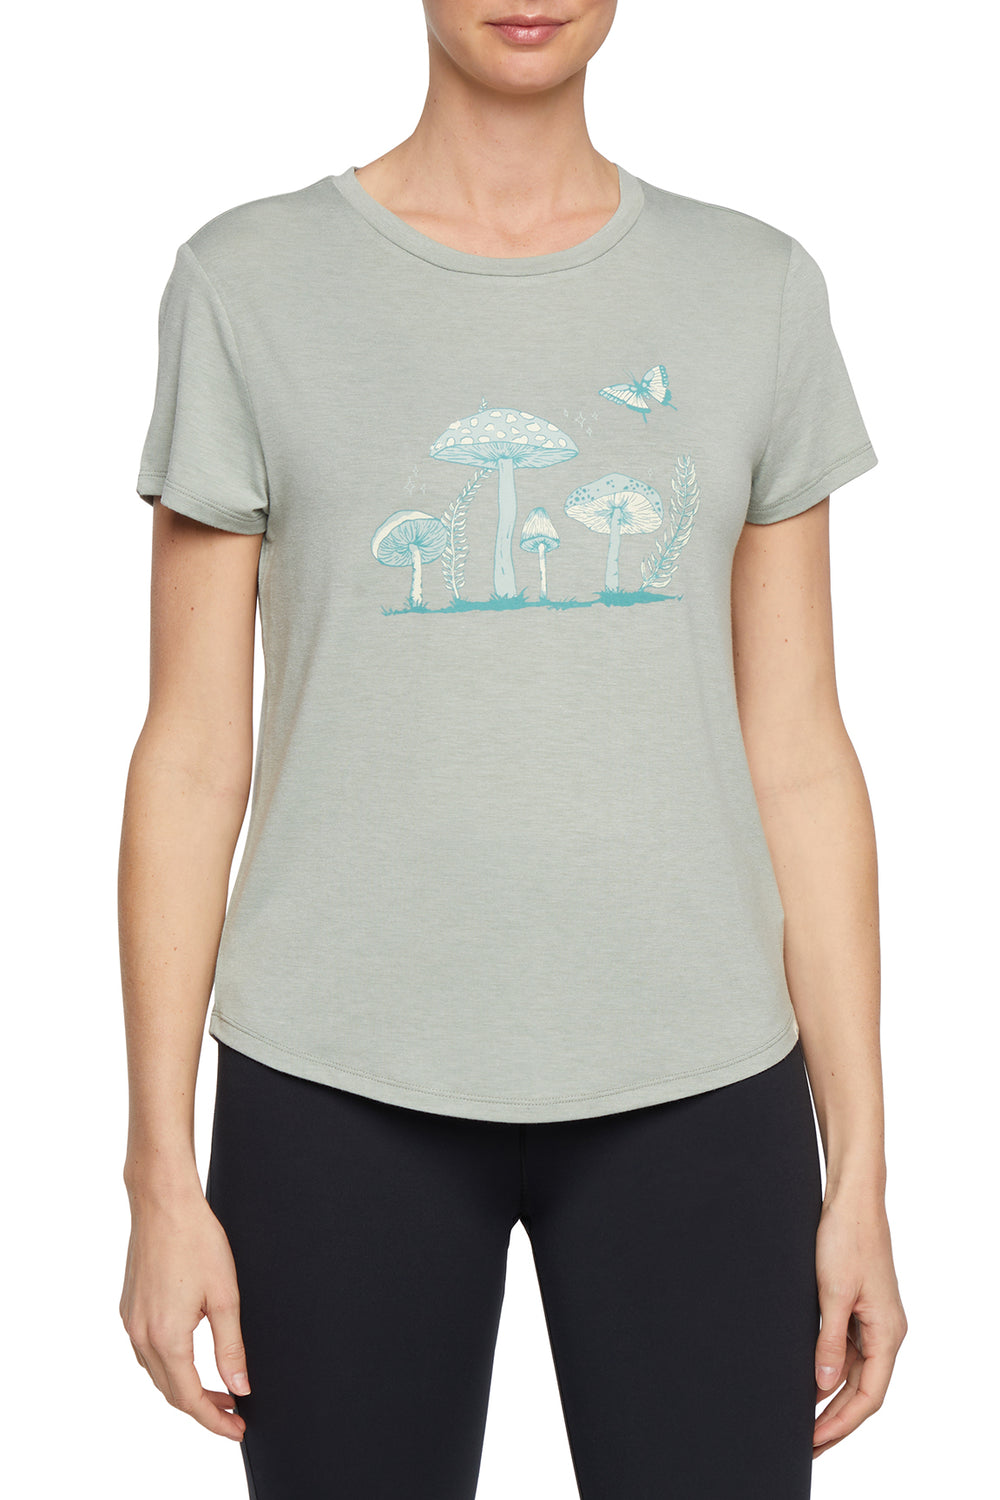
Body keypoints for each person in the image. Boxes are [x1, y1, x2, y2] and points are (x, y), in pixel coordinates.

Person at [118, 3, 907, 1495]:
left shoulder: (755, 291)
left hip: (702, 1084)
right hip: (332, 1085)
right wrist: (159, 1161)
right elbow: (191, 752)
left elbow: (801, 746)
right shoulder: (247, 282)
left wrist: (860, 1160)